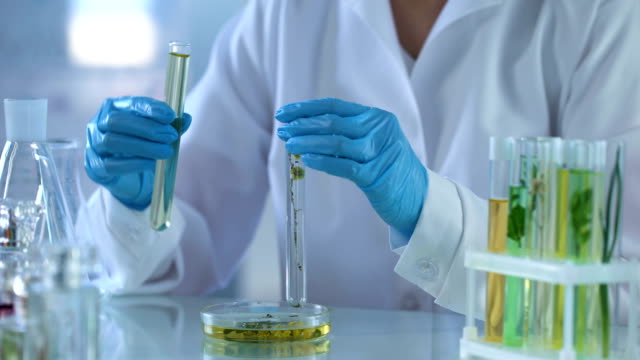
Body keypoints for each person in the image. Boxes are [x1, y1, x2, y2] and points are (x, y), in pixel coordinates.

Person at [84, 0, 640, 312]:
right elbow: (181, 253)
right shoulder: (284, 14)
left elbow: (620, 290)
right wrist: (140, 201)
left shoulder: (601, 15)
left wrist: (431, 214)